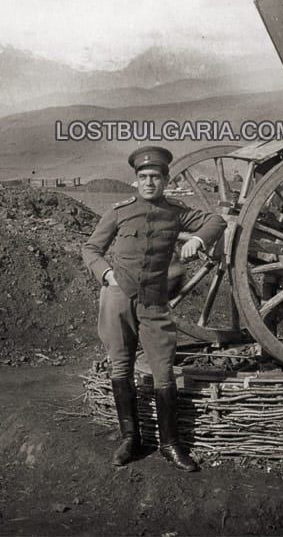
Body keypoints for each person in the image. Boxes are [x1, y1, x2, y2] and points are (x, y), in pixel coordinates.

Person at [82, 145, 226, 472]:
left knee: (163, 369)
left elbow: (217, 220)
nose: (149, 182)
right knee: (120, 365)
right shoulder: (119, 212)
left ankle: (170, 445)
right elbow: (91, 247)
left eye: (155, 177)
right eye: (143, 177)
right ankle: (130, 440)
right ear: (136, 181)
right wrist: (106, 273)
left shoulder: (175, 212)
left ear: (165, 181)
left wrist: (198, 240)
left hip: (155, 303)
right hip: (117, 299)